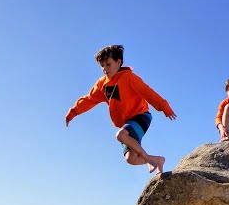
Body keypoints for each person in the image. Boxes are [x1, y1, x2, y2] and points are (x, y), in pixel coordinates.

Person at [65, 44, 176, 174]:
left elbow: (148, 92)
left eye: (108, 64)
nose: (104, 69)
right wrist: (73, 112)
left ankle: (147, 159)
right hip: (126, 124)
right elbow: (89, 99)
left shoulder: (129, 78)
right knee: (131, 159)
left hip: (141, 116)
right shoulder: (102, 84)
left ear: (118, 62)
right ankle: (157, 160)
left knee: (121, 135)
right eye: (102, 66)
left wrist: (164, 107)